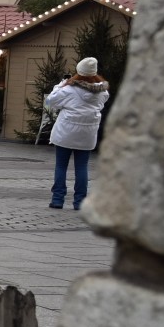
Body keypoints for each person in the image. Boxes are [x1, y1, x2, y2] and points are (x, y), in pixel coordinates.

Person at [44, 56, 109, 211]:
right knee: (82, 167)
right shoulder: (102, 91)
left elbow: (50, 102)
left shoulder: (69, 89)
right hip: (87, 133)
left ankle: (57, 199)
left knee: (61, 166)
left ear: (79, 71)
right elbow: (102, 102)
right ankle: (80, 201)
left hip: (66, 132)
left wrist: (59, 85)